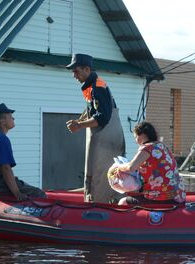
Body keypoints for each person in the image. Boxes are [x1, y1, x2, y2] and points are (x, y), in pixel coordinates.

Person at [65, 53, 126, 203]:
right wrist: (81, 119)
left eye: (76, 71)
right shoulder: (93, 86)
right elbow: (94, 110)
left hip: (107, 142)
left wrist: (79, 125)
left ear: (87, 69)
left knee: (100, 176)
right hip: (109, 139)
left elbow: (102, 118)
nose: (74, 76)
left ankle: (100, 208)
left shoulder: (97, 87)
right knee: (100, 175)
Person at [115, 122, 186, 205]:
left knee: (123, 202)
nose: (136, 141)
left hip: (161, 198)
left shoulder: (147, 148)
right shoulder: (161, 146)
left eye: (135, 137)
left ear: (141, 135)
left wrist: (118, 166)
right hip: (178, 196)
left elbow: (131, 167)